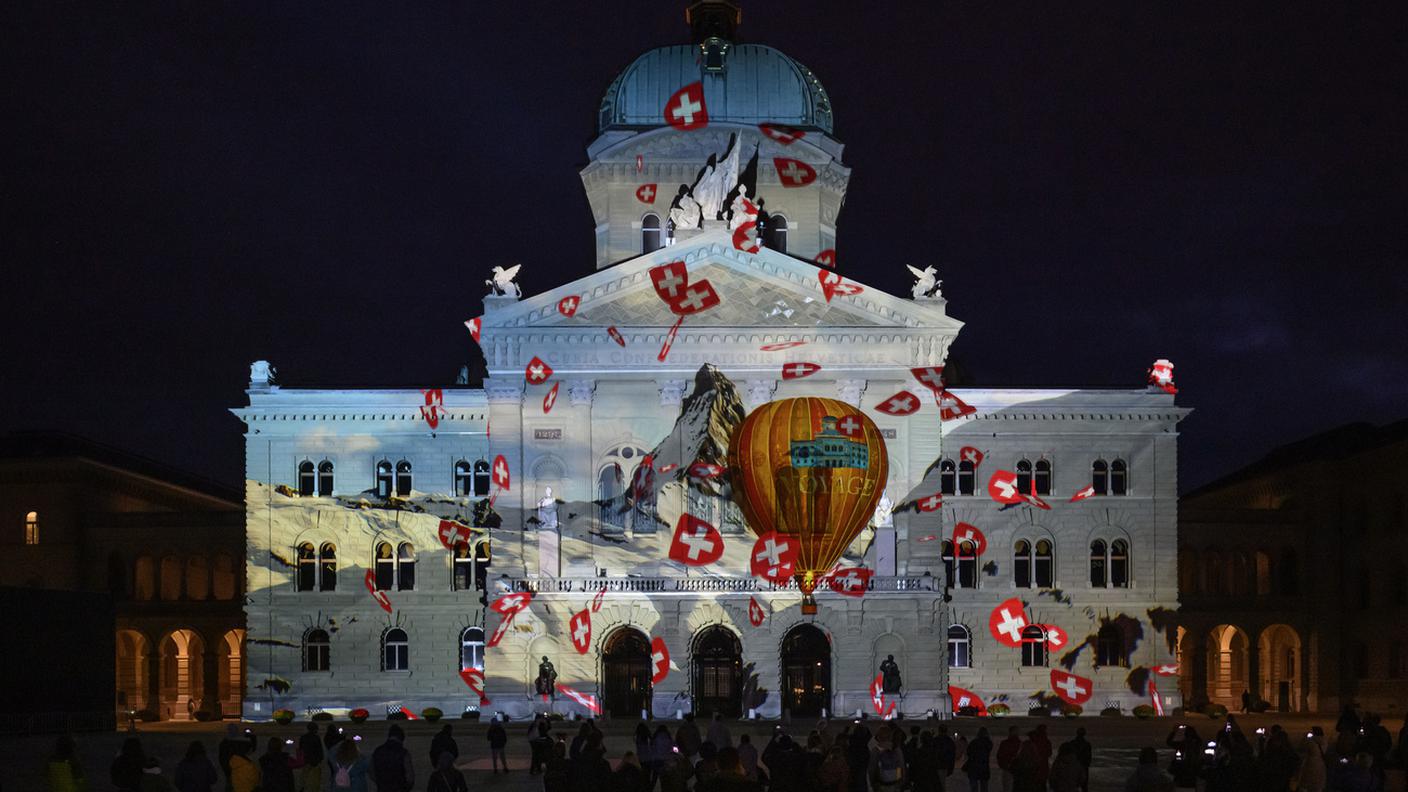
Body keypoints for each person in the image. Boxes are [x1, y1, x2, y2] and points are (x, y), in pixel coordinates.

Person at [370, 725, 414, 792]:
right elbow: (409, 775)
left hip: (383, 787)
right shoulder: (403, 752)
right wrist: (406, 787)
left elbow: (372, 771)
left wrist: (379, 782)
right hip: (399, 787)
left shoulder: (378, 751)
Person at [297, 724, 325, 792]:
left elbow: (300, 750)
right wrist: (320, 760)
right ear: (315, 729)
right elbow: (319, 750)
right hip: (315, 762)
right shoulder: (316, 738)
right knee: (315, 782)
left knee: (304, 780)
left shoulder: (303, 737)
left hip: (306, 761)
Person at [1064, 727, 1093, 792]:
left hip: (1074, 766)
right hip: (1083, 766)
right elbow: (1089, 757)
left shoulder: (1072, 743)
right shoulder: (1087, 744)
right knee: (1084, 785)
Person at [966, 727, 993, 792]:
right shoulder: (988, 743)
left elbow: (968, 752)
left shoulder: (974, 742)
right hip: (984, 767)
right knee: (984, 787)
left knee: (974, 788)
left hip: (974, 766)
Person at [996, 727, 1021, 792]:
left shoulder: (1004, 743)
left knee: (1007, 788)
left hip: (1007, 768)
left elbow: (999, 756)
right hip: (1017, 770)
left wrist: (1003, 765)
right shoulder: (1020, 744)